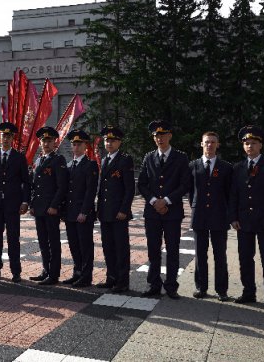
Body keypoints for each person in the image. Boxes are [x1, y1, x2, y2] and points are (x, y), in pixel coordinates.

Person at [230, 125, 264, 310]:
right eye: (246, 143)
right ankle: (248, 292)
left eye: (253, 143)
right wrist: (233, 217)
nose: (249, 146)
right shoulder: (238, 168)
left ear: (260, 145)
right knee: (245, 258)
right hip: (244, 222)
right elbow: (234, 195)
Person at [137, 120, 191, 298]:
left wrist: (166, 201)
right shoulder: (148, 157)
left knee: (172, 249)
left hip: (172, 211)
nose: (159, 138)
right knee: (153, 249)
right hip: (152, 212)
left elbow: (185, 184)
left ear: (170, 136)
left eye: (163, 135)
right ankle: (153, 284)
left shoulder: (181, 157)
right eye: (156, 136)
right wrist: (154, 201)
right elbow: (142, 184)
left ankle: (171, 286)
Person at [0, 122, 30, 283]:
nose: (6, 139)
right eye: (4, 136)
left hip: (13, 204)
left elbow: (26, 181)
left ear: (12, 139)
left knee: (13, 238)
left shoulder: (19, 157)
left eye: (9, 136)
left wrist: (25, 201)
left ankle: (16, 271)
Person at [189, 131, 233, 301]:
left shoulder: (226, 167)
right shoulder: (193, 165)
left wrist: (229, 214)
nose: (209, 145)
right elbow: (191, 191)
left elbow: (229, 193)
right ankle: (201, 287)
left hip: (219, 216)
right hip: (199, 215)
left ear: (218, 145)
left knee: (220, 254)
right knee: (200, 254)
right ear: (201, 144)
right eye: (206, 142)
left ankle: (222, 290)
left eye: (213, 142)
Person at [96, 126, 135, 293]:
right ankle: (111, 278)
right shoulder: (105, 160)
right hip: (105, 212)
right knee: (108, 247)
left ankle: (122, 281)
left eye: (112, 140)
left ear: (119, 142)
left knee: (121, 248)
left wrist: (124, 210)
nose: (109, 143)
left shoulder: (125, 160)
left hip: (119, 213)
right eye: (106, 140)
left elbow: (129, 188)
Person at [29, 126, 67, 285]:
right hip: (39, 208)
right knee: (43, 241)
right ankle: (46, 270)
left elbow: (62, 186)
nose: (46, 143)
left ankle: (54, 274)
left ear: (55, 142)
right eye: (43, 140)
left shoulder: (58, 160)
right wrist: (32, 204)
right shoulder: (38, 160)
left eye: (49, 141)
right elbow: (34, 185)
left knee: (53, 242)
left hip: (51, 209)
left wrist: (54, 205)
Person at [62, 130, 98, 288]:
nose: (76, 146)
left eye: (79, 144)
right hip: (70, 213)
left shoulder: (90, 165)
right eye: (74, 144)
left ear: (86, 146)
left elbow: (90, 191)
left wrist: (84, 211)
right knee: (74, 245)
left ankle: (86, 276)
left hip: (83, 213)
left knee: (85, 246)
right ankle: (77, 272)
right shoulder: (69, 165)